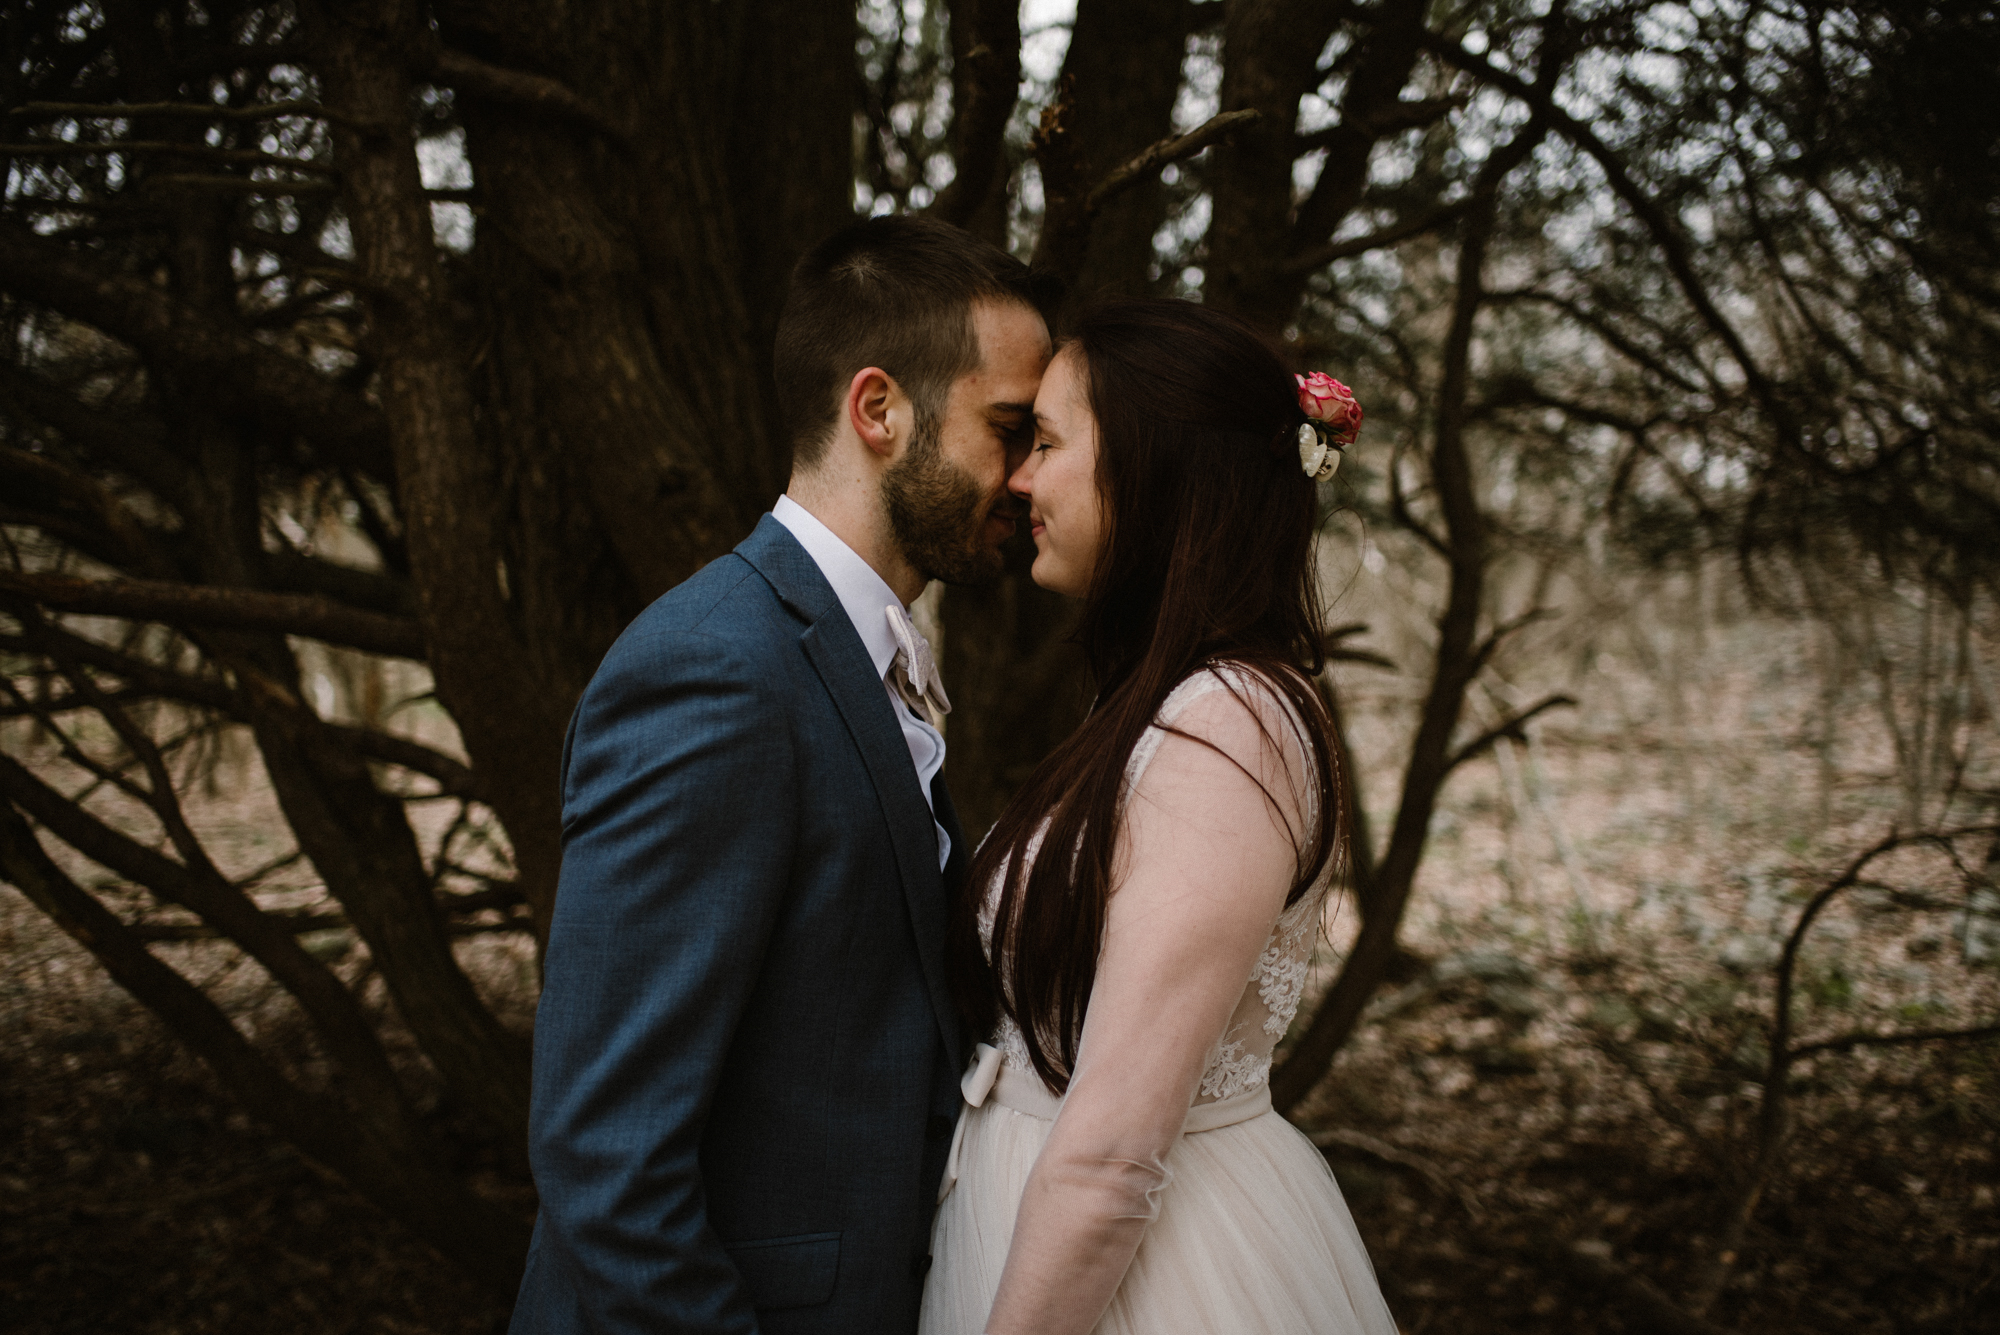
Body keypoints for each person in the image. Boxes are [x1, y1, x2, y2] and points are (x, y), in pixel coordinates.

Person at [510, 215, 1051, 1335]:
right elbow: (607, 1159)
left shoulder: (860, 649)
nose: (1029, 477)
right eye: (1009, 429)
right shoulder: (712, 671)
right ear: (878, 410)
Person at [919, 299, 1398, 1335]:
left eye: (1046, 444)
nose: (1017, 480)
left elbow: (1108, 1156)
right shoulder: (1160, 702)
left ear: (1153, 467)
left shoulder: (1228, 728)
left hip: (1143, 1280)